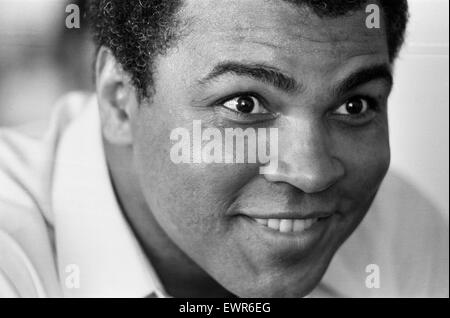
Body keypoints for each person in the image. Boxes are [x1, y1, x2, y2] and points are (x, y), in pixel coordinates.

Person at [0, 0, 448, 298]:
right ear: (119, 99)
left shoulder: (400, 231)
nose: (312, 173)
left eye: (355, 104)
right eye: (244, 104)